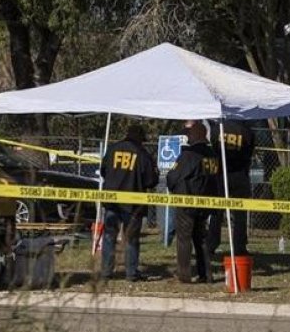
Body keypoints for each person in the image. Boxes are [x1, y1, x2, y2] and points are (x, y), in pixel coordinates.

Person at [100, 124, 159, 281]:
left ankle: (106, 271)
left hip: (111, 200)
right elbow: (151, 181)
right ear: (140, 138)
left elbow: (103, 170)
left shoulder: (113, 149)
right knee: (131, 238)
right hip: (133, 203)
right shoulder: (142, 154)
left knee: (109, 236)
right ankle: (131, 273)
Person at [166, 121, 221, 283]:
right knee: (201, 239)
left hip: (187, 201)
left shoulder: (189, 155)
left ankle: (184, 274)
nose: (187, 137)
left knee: (184, 238)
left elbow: (173, 176)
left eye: (189, 134)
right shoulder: (212, 154)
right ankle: (206, 273)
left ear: (197, 134)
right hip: (205, 202)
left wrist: (174, 188)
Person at [209, 118, 255, 256]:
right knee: (240, 215)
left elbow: (213, 148)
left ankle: (211, 243)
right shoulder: (246, 131)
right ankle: (239, 246)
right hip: (240, 174)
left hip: (221, 174)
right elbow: (249, 153)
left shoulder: (218, 128)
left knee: (216, 212)